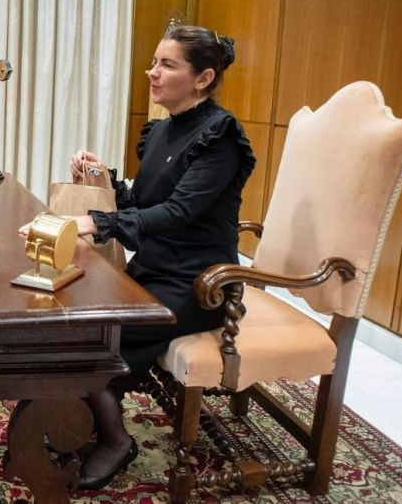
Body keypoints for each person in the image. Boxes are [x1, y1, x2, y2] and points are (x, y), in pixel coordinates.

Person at [26, 25, 255, 489]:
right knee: (70, 314)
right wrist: (104, 181)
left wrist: (98, 222)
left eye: (167, 64)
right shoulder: (162, 131)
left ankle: (115, 440)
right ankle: (67, 411)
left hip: (196, 283)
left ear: (203, 78)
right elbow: (143, 204)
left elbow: (177, 213)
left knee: (90, 335)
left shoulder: (220, 136)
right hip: (151, 270)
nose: (152, 73)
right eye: (154, 61)